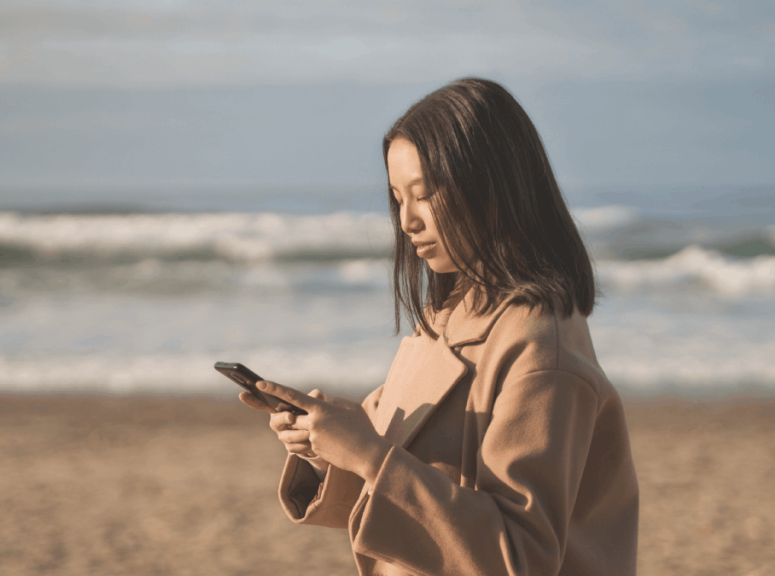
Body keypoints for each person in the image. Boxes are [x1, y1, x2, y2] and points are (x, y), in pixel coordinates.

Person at [238, 78, 639, 576]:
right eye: (396, 198)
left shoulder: (541, 349)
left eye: (424, 194)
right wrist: (326, 449)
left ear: (492, 186)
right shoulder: (445, 319)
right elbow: (405, 492)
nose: (407, 221)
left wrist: (365, 453)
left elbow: (524, 556)